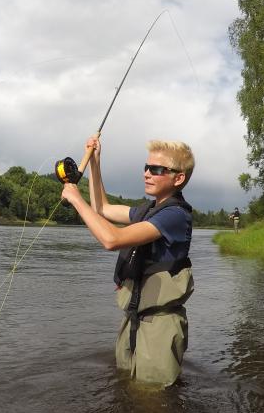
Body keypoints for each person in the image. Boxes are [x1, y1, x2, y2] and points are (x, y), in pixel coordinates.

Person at [60, 135, 195, 386]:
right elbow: (102, 209)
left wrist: (76, 200)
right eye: (146, 167)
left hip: (160, 325)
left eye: (156, 169)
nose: (147, 173)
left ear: (178, 178)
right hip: (133, 319)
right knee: (126, 389)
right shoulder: (146, 210)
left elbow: (111, 239)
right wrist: (95, 164)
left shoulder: (175, 216)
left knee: (153, 401)